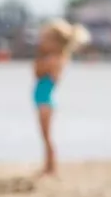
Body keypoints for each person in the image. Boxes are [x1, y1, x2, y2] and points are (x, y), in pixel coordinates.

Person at [32, 19, 88, 176]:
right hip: (41, 101)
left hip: (45, 103)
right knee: (45, 136)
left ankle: (51, 167)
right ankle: (48, 165)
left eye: (46, 39)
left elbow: (37, 72)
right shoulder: (51, 58)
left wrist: (41, 56)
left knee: (46, 136)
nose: (41, 42)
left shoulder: (54, 60)